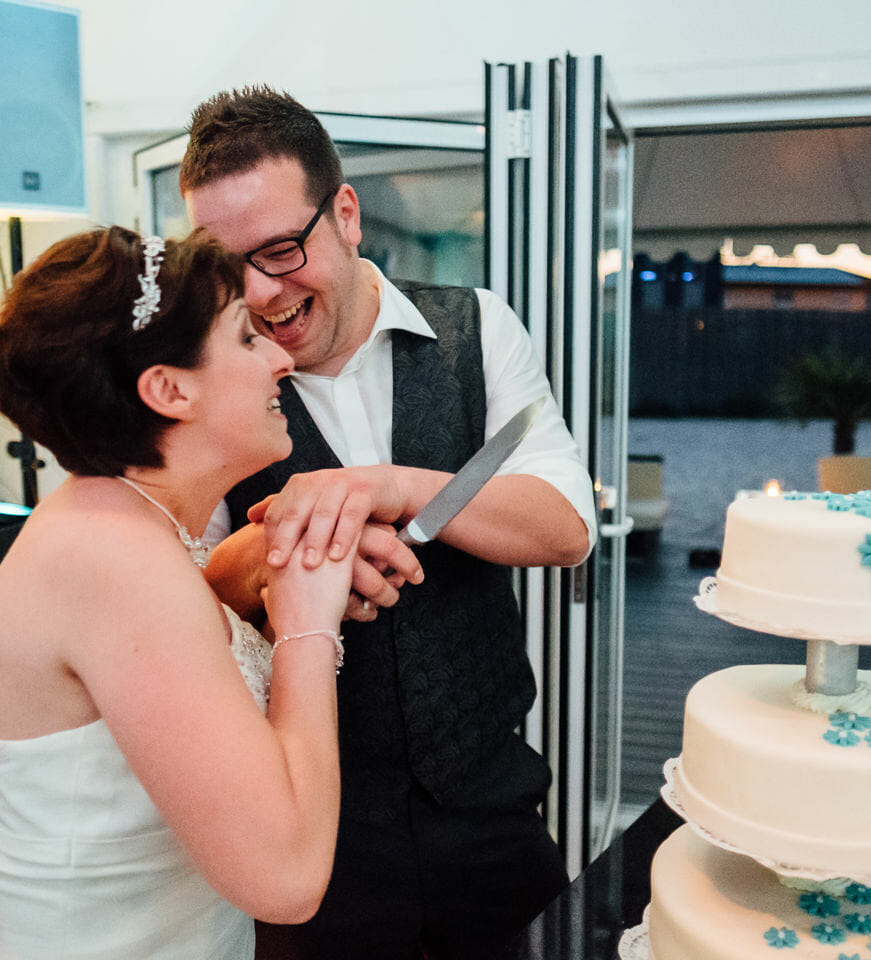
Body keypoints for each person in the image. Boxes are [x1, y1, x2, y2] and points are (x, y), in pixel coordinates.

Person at [180, 87, 599, 959]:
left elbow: (564, 530)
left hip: (490, 806)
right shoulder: (209, 379)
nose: (259, 293)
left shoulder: (478, 328)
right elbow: (184, 594)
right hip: (312, 825)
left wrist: (396, 488)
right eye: (228, 267)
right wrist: (279, 558)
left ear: (345, 213)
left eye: (282, 250)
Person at [0, 226, 417, 959]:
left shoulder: (123, 521)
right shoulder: (115, 561)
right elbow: (287, 880)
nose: (282, 359)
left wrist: (255, 562)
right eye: (247, 340)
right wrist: (307, 621)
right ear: (168, 389)